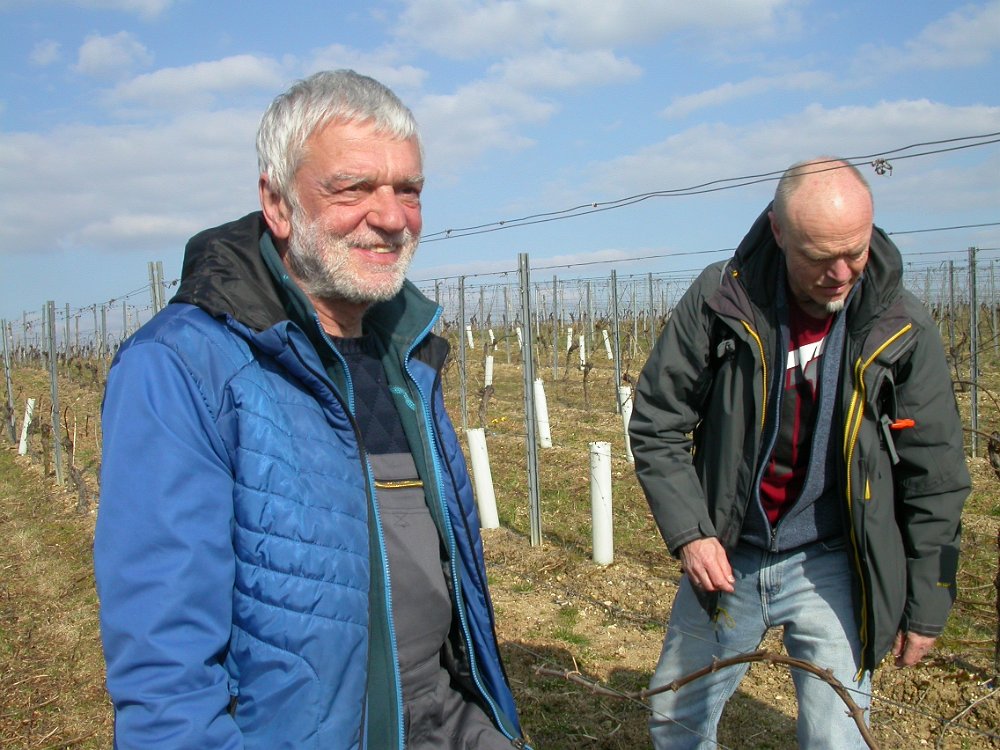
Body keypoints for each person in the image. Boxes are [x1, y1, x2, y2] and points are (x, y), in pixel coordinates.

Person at [94, 69, 528, 750]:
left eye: (408, 190)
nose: (391, 218)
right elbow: (165, 672)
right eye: (353, 188)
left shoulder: (406, 357)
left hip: (444, 721)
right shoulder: (183, 367)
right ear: (278, 203)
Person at [629, 158, 969, 749]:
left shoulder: (901, 325)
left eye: (855, 252)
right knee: (675, 719)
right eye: (819, 257)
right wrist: (692, 535)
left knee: (839, 737)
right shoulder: (722, 300)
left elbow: (935, 475)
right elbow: (658, 420)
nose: (841, 274)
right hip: (729, 552)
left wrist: (928, 604)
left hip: (835, 559)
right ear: (780, 232)